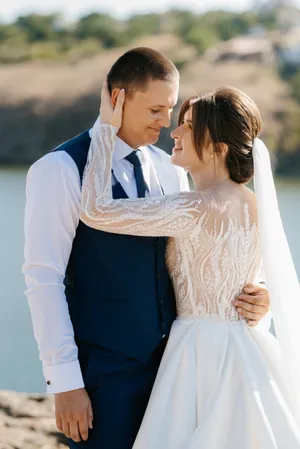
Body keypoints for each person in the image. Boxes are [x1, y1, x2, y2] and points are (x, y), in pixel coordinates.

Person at [23, 47, 270, 448]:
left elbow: (210, 251)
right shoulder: (59, 169)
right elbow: (43, 280)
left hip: (178, 371)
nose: (166, 122)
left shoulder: (171, 169)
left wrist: (257, 295)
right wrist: (64, 381)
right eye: (156, 109)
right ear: (117, 99)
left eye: (172, 109)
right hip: (104, 376)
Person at [79, 81, 300, 448]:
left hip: (198, 354)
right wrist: (263, 299)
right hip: (248, 349)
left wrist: (105, 128)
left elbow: (95, 210)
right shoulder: (255, 205)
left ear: (218, 147)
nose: (175, 131)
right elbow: (255, 277)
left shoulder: (194, 208)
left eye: (190, 125)